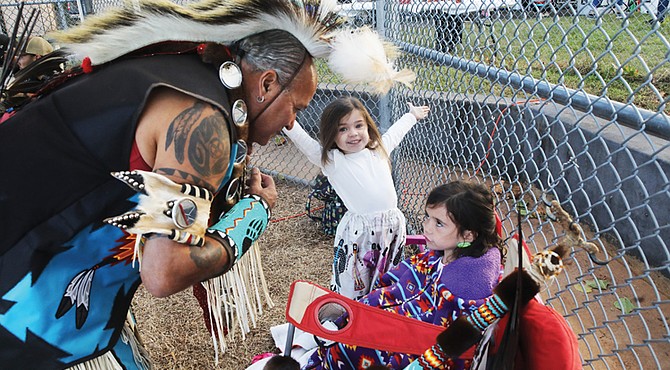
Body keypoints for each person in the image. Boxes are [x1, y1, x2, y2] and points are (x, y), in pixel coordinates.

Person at [0, 0, 412, 368]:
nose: (291, 122)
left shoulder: (183, 72)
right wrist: (254, 213)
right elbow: (164, 270)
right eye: (295, 107)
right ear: (267, 83)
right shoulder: (202, 121)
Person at [301, 180, 503, 369]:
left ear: (468, 235)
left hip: (410, 347)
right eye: (428, 217)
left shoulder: (465, 286)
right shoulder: (442, 253)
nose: (427, 227)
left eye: (439, 223)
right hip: (391, 319)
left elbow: (438, 340)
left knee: (349, 345)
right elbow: (400, 281)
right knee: (347, 321)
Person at [283, 96, 430, 300]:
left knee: (387, 277)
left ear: (368, 127)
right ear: (331, 135)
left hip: (392, 227)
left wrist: (412, 116)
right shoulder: (333, 161)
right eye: (342, 129)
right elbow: (307, 145)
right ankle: (350, 313)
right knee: (354, 280)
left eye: (358, 125)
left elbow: (395, 133)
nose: (353, 134)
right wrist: (289, 125)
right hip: (360, 234)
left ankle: (378, 311)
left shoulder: (378, 149)